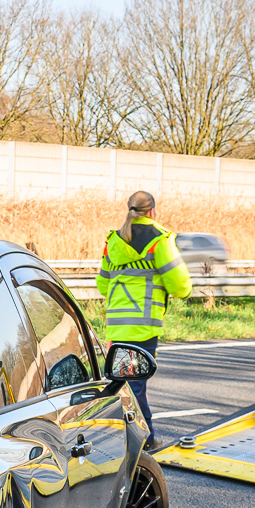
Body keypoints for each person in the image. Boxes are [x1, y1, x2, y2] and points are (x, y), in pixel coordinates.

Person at [98, 190, 191, 445]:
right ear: (152, 211)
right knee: (136, 386)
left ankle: (130, 438)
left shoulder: (113, 241)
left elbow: (103, 286)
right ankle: (142, 440)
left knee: (124, 385)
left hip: (116, 327)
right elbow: (181, 286)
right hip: (143, 327)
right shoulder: (159, 240)